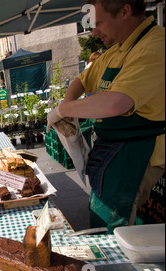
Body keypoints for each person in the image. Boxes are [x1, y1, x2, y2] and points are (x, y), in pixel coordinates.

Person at [46, 0, 165, 233]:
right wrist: (68, 103)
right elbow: (82, 80)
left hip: (136, 157)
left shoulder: (154, 46)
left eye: (99, 23)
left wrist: (63, 111)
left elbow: (115, 103)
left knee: (116, 232)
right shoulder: (116, 50)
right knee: (100, 222)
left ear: (125, 11)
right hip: (109, 153)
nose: (94, 31)